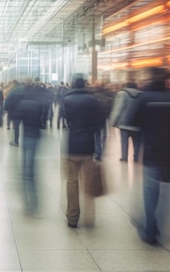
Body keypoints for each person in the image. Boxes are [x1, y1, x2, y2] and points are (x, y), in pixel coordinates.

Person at [134, 67, 170, 244]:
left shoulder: (144, 97)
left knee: (150, 190)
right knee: (166, 194)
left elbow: (136, 122)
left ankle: (150, 228)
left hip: (152, 150)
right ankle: (156, 225)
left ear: (150, 78)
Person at [61, 74, 105, 228]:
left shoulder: (67, 99)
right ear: (85, 84)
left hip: (73, 145)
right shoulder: (93, 100)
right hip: (88, 146)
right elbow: (100, 123)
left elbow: (65, 119)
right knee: (89, 182)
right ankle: (90, 217)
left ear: (73, 84)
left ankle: (72, 218)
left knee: (72, 182)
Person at [17, 80, 46, 212]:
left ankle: (25, 174)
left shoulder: (22, 103)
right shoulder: (38, 104)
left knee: (24, 154)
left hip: (26, 133)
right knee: (32, 157)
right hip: (35, 134)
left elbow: (19, 118)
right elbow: (41, 118)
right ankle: (31, 173)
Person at [108, 81, 142, 162]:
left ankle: (124, 157)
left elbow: (117, 108)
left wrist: (112, 122)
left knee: (124, 141)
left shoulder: (122, 93)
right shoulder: (141, 94)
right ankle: (136, 157)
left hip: (124, 122)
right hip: (137, 122)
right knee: (137, 141)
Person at [4, 80, 25, 147]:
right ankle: (25, 141)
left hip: (15, 112)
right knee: (25, 127)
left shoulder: (13, 92)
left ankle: (16, 141)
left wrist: (5, 109)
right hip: (24, 111)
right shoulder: (24, 89)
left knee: (16, 127)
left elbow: (7, 102)